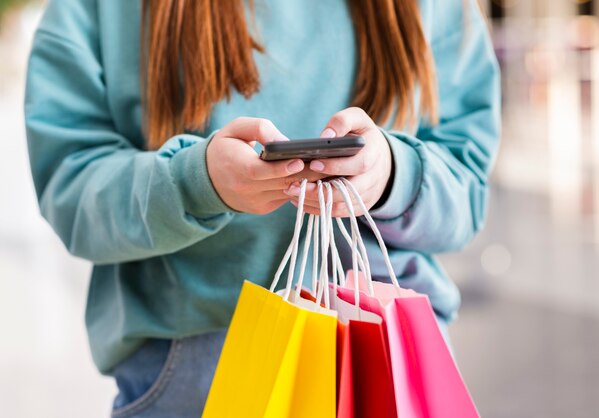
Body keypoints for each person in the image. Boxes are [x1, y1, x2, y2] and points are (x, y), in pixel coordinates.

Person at [25, 0, 500, 416]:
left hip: (387, 362)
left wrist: (392, 175)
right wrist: (196, 183)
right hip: (197, 375)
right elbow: (71, 186)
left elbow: (467, 189)